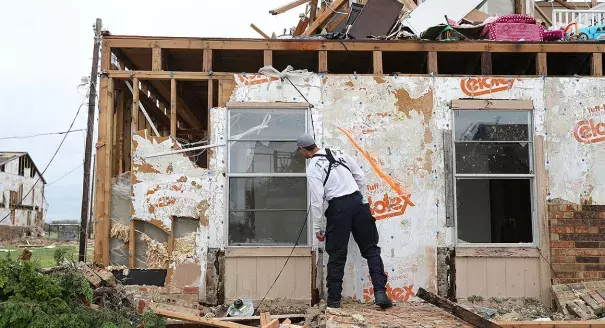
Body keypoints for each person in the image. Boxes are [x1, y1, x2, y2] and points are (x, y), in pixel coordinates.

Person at [296, 133, 392, 309]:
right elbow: (360, 177)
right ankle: (380, 293)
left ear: (303, 149)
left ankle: (334, 301)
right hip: (358, 203)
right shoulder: (338, 152)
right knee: (371, 250)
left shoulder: (313, 168)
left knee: (337, 254)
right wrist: (357, 198)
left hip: (338, 208)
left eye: (300, 151)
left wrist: (319, 227)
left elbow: (317, 200)